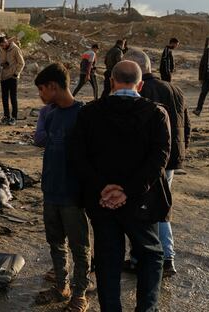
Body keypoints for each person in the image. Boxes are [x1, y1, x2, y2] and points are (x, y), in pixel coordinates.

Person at [71, 60, 171, 312]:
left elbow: (78, 157)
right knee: (150, 255)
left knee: (107, 259)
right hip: (142, 201)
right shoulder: (156, 113)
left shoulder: (89, 112)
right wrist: (128, 190)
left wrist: (104, 189)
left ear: (112, 81)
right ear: (140, 84)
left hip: (101, 201)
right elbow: (159, 158)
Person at [124, 49, 190, 276]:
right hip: (171, 159)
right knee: (161, 206)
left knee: (142, 209)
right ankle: (167, 258)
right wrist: (180, 154)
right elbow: (186, 125)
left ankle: (139, 258)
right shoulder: (175, 89)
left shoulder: (139, 91)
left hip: (149, 161)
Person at [33, 63, 89, 312]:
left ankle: (79, 294)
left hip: (73, 195)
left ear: (53, 87)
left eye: (41, 90)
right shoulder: (52, 114)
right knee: (55, 242)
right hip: (51, 191)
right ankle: (61, 286)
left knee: (79, 247)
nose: (40, 95)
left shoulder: (84, 115)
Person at [0, 36, 25, 125]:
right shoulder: (1, 50)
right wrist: (3, 64)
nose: (3, 46)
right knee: (4, 98)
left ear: (6, 42)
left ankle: (14, 117)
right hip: (4, 77)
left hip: (13, 77)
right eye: (1, 45)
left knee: (13, 98)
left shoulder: (15, 49)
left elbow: (22, 63)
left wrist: (16, 73)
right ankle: (6, 116)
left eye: (4, 44)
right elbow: (1, 61)